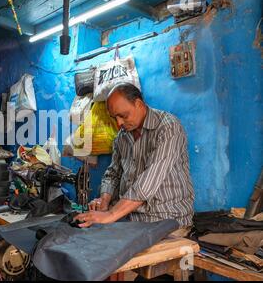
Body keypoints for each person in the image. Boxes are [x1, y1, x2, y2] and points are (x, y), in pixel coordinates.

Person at [74, 82, 194, 235]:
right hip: (131, 219)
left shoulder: (168, 128)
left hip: (166, 220)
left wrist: (110, 215)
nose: (119, 123)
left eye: (123, 116)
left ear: (138, 104)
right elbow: (113, 174)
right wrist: (104, 199)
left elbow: (148, 183)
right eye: (114, 118)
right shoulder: (122, 138)